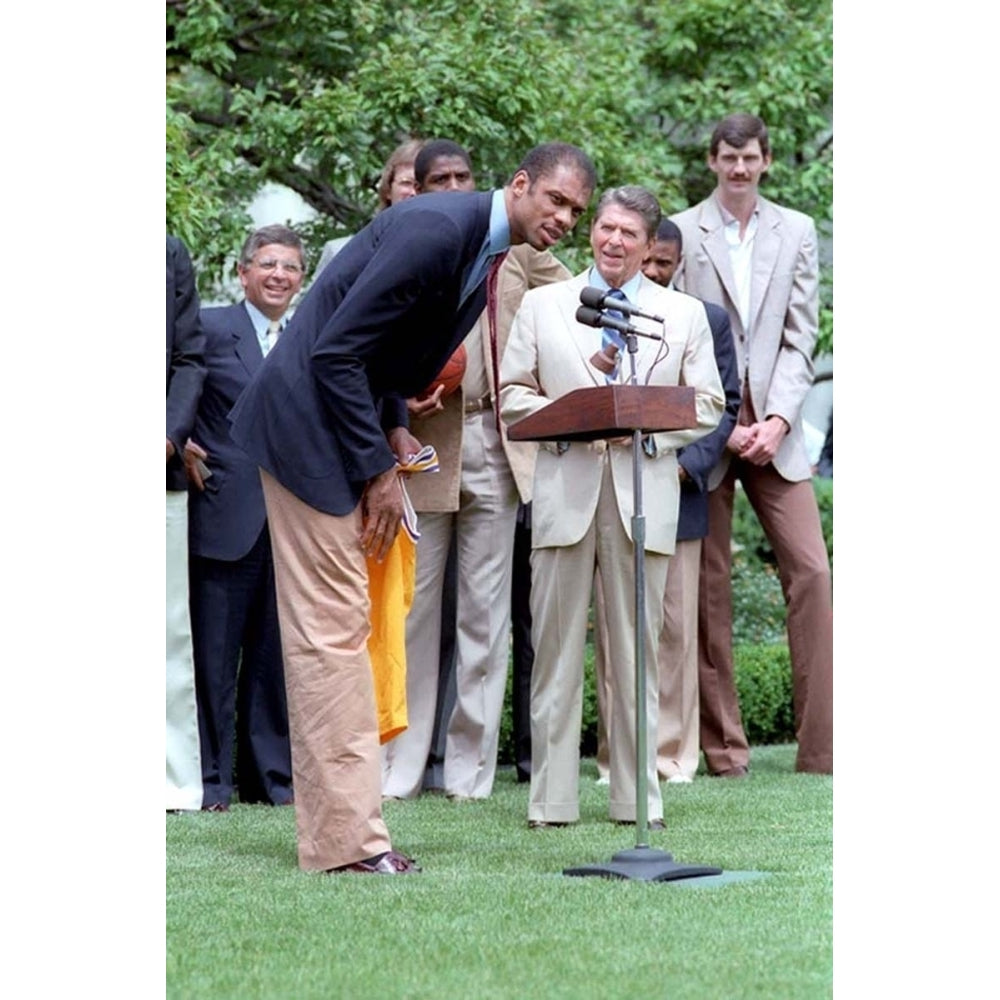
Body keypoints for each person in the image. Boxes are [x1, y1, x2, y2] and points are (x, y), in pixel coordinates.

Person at [228, 142, 597, 874]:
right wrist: (377, 472)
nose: (563, 218)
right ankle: (348, 847)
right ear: (519, 184)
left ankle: (345, 832)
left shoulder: (485, 247)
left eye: (575, 211)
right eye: (554, 199)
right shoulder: (437, 231)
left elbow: (379, 352)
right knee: (332, 633)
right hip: (305, 433)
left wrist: (396, 426)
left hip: (343, 430)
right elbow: (334, 354)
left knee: (344, 627)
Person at [499, 186, 724, 829]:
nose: (614, 241)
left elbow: (706, 404)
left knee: (637, 656)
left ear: (651, 245)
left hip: (641, 494)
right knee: (555, 652)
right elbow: (514, 393)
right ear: (590, 232)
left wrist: (648, 430)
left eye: (629, 233)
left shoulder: (681, 315)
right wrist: (569, 418)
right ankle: (551, 802)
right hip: (564, 492)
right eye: (604, 228)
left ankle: (635, 800)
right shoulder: (546, 306)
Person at [381, 141, 571, 802]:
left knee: (485, 620)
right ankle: (399, 770)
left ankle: (469, 776)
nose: (456, 185)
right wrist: (394, 393)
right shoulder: (412, 243)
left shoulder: (520, 250)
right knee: (412, 610)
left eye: (465, 175)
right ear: (417, 188)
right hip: (424, 440)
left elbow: (577, 306)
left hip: (496, 437)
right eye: (442, 179)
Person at [670, 112, 833, 775]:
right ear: (712, 161)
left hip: (776, 432)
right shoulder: (681, 231)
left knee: (814, 575)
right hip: (712, 428)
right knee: (709, 588)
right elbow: (677, 333)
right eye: (728, 157)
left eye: (750, 158)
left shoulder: (796, 230)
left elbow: (802, 335)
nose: (739, 168)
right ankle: (725, 751)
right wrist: (719, 422)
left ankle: (822, 749)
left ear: (767, 161)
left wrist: (781, 422)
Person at [592, 219, 741, 784]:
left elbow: (722, 405)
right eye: (646, 260)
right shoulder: (599, 313)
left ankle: (673, 755)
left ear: (678, 263)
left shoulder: (704, 318)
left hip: (677, 484)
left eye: (663, 263)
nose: (653, 271)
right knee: (615, 627)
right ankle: (617, 758)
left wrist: (684, 464)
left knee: (674, 627)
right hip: (612, 485)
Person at [184, 224, 304, 812]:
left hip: (289, 521)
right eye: (269, 265)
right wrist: (177, 441)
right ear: (243, 272)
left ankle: (270, 782)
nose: (279, 276)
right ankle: (210, 783)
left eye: (291, 268)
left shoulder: (308, 335)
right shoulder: (208, 327)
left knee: (271, 663)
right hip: (222, 512)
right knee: (212, 662)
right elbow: (169, 379)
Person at [166, 234, 206, 812]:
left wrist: (169, 437)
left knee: (166, 633)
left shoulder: (166, 250)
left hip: (157, 468)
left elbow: (188, 358)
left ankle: (173, 785)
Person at [314, 139, 424, 277]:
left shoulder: (452, 257)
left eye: (421, 186)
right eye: (406, 183)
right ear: (388, 190)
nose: (414, 192)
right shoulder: (340, 253)